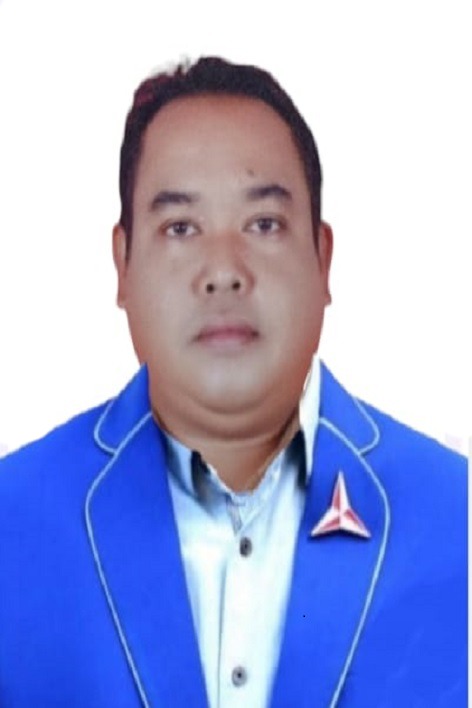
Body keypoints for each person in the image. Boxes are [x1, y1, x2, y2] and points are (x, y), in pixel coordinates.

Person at [0, 57, 466, 708]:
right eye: (181, 228)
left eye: (263, 224)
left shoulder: (456, 517)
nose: (223, 270)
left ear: (323, 258)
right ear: (123, 265)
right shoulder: (13, 520)